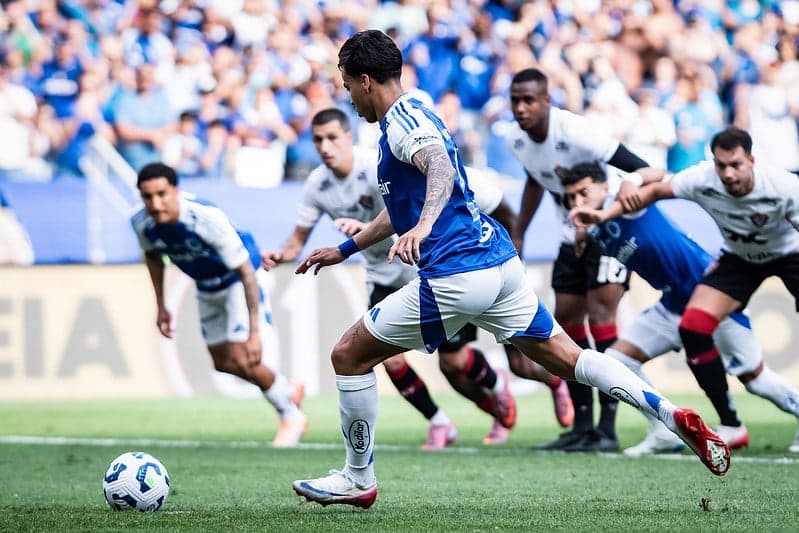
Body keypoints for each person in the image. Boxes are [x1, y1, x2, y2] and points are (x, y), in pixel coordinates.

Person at [290, 30, 730, 510]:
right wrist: (347, 248)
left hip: (456, 274)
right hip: (498, 265)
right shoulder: (417, 109)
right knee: (572, 358)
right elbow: (403, 205)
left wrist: (425, 226)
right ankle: (667, 413)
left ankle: (358, 478)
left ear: (367, 80)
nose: (350, 97)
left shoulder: (399, 124)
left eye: (349, 85)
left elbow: (436, 164)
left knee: (348, 356)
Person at [261, 107, 524, 449]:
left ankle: (498, 386)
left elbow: (407, 211)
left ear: (349, 138)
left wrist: (359, 235)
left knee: (454, 361)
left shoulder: (375, 167)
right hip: (382, 274)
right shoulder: (317, 185)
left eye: (332, 138)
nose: (325, 147)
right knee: (388, 357)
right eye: (318, 140)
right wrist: (281, 254)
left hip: (423, 267)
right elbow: (297, 238)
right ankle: (439, 422)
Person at [568, 126, 799, 454]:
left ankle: (745, 421)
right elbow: (665, 187)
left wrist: (632, 179)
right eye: (721, 166)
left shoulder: (783, 186)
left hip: (768, 262)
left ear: (752, 160)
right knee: (618, 360)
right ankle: (667, 430)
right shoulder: (702, 180)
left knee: (756, 379)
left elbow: (654, 176)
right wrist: (595, 222)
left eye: (735, 165)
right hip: (693, 290)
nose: (728, 173)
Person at [505, 67, 651, 452]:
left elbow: (638, 168)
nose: (520, 108)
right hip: (570, 236)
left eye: (528, 100)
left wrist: (610, 210)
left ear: (546, 101)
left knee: (603, 322)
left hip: (607, 233)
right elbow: (536, 180)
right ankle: (581, 427)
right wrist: (519, 230)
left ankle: (607, 429)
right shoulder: (515, 140)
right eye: (515, 101)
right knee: (565, 325)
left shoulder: (576, 131)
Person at [131, 162, 307, 447]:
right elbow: (152, 257)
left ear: (176, 190)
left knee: (246, 357)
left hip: (239, 280)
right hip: (206, 284)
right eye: (148, 197)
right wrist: (161, 305)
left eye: (162, 194)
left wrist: (253, 331)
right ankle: (288, 389)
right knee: (223, 362)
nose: (155, 203)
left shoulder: (205, 219)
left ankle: (291, 415)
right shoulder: (142, 223)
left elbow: (246, 272)